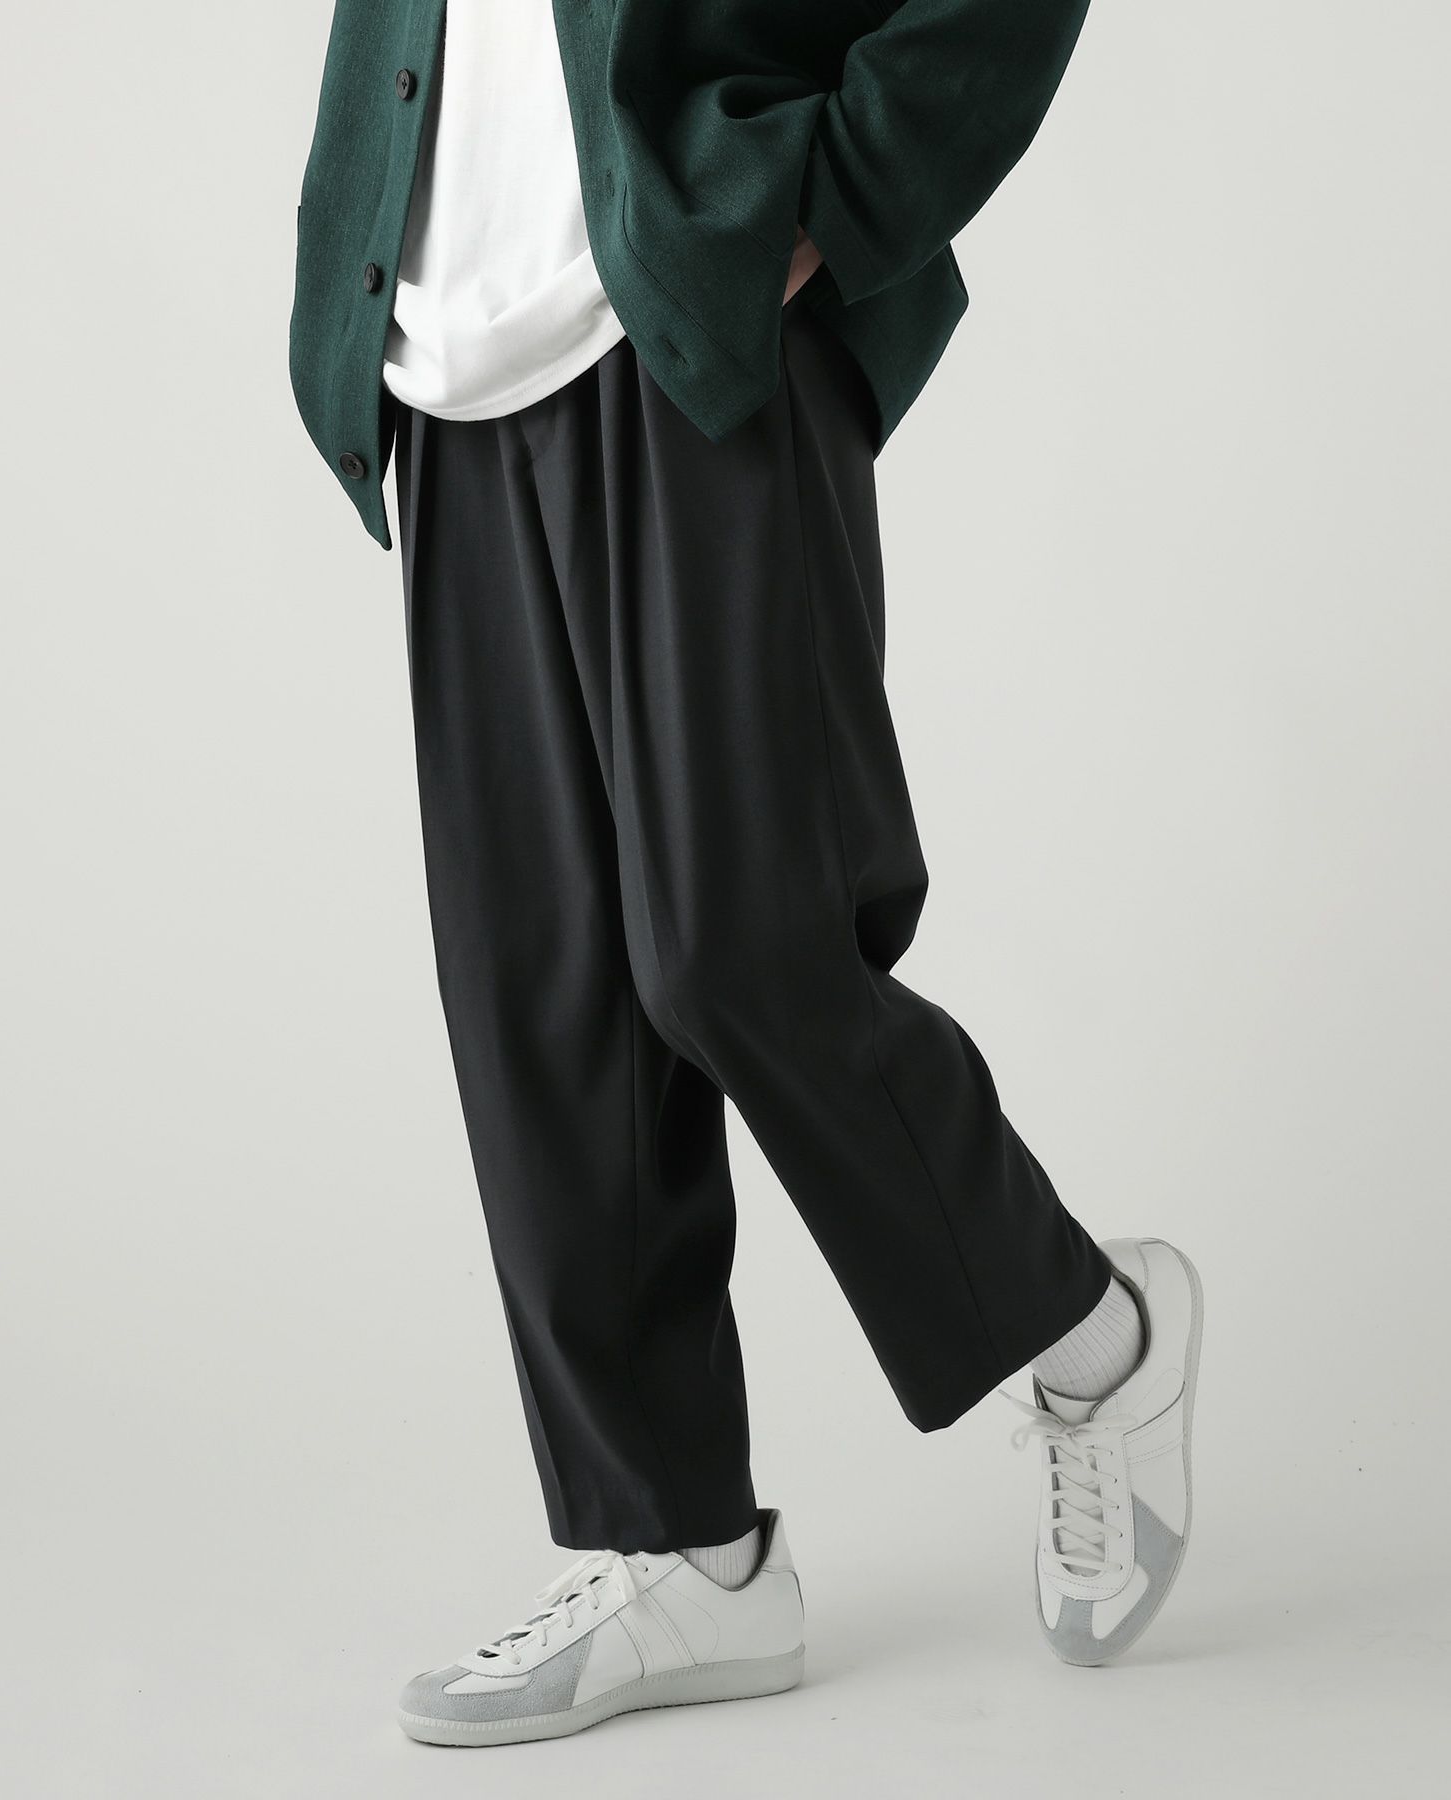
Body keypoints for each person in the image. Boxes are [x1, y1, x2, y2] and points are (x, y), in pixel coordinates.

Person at [290, 1, 1203, 1748]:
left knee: (742, 947)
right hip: (444, 350)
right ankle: (686, 1555)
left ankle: (1101, 1336)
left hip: (688, 310)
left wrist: (838, 195)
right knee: (543, 999)